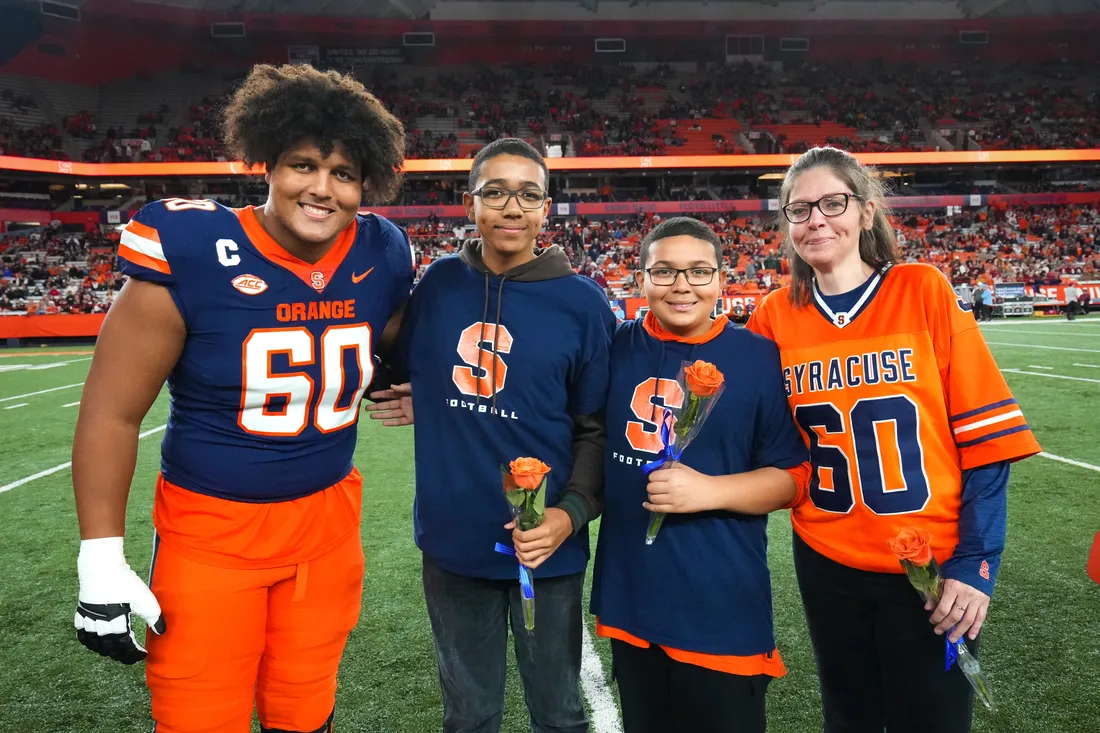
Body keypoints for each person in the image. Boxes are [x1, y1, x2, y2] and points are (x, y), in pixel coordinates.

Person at [72, 63, 412, 733]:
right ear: (267, 163)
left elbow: (391, 350)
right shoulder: (196, 248)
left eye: (343, 173)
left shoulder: (382, 251)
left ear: (366, 182)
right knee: (200, 716)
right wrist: (99, 557)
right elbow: (111, 412)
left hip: (328, 530)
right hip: (212, 536)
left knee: (305, 711)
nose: (321, 188)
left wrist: (413, 388)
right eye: (303, 165)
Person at [747, 146, 1041, 733]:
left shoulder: (922, 289)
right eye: (798, 209)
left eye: (833, 203)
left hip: (930, 561)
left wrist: (977, 562)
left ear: (866, 211)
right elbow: (754, 434)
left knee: (932, 719)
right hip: (827, 557)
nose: (816, 220)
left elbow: (987, 444)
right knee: (849, 718)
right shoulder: (774, 316)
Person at [367, 138, 614, 733]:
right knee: (470, 715)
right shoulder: (438, 285)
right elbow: (385, 370)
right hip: (453, 545)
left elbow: (597, 430)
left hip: (548, 546)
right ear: (469, 201)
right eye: (495, 191)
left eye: (528, 194)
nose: (512, 206)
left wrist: (569, 515)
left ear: (546, 208)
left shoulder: (583, 304)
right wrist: (428, 400)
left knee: (559, 714)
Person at [590, 217, 811, 733]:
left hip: (720, 601)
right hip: (633, 596)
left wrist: (709, 491)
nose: (682, 285)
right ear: (640, 277)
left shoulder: (757, 358)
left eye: (698, 272)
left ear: (720, 279)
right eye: (664, 272)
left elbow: (795, 477)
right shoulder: (613, 348)